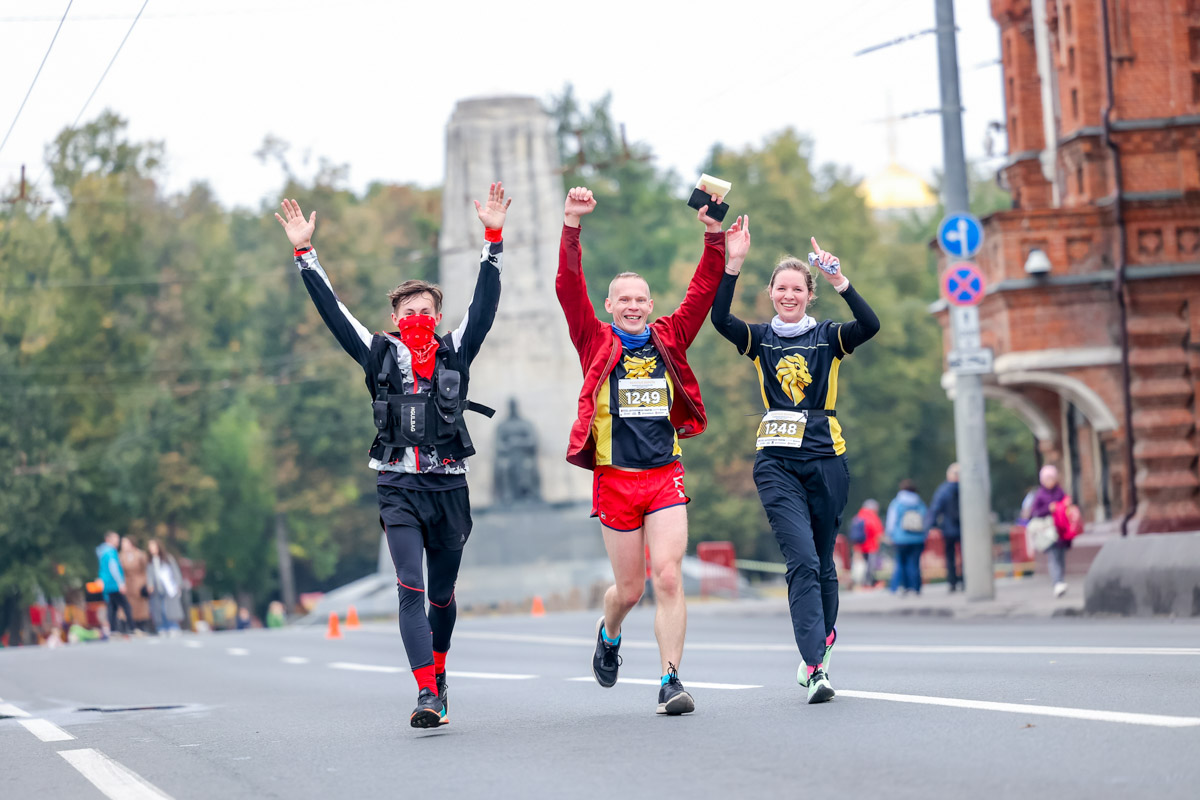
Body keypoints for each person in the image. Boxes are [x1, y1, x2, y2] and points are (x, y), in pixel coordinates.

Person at [275, 182, 509, 729]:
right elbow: (334, 314)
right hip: (398, 486)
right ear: (395, 314)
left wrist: (492, 239)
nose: (417, 316)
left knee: (443, 597)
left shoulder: (457, 348)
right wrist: (304, 253)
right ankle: (426, 694)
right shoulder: (377, 352)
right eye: (408, 309)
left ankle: (441, 670)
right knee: (411, 586)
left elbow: (486, 304)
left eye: (426, 309)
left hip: (449, 486)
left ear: (437, 313)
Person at [556, 185, 727, 716]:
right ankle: (609, 635)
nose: (632, 306)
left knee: (669, 575)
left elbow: (702, 290)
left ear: (650, 306)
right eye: (622, 300)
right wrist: (572, 226)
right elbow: (568, 289)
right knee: (628, 591)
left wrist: (714, 235)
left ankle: (670, 680)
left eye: (640, 299)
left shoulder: (669, 338)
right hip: (615, 480)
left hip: (663, 476)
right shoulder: (595, 340)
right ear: (610, 307)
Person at [710, 226, 880, 704]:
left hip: (827, 458)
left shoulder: (829, 338)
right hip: (777, 464)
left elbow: (870, 326)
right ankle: (814, 666)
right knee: (802, 561)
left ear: (809, 295)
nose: (788, 295)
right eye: (780, 288)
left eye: (797, 288)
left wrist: (842, 280)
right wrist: (732, 264)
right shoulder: (760, 339)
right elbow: (720, 319)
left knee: (823, 563)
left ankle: (822, 645)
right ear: (770, 294)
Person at [1028, 464, 1073, 597]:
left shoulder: (1060, 492)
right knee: (1053, 557)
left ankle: (1060, 580)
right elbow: (1034, 513)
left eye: (1051, 479)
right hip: (1047, 531)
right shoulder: (1040, 495)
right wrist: (1049, 508)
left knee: (1061, 557)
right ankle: (1057, 582)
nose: (1050, 482)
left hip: (1060, 529)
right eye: (1047, 479)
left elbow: (1067, 505)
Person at [886, 480, 928, 596]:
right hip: (918, 538)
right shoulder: (919, 503)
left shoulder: (897, 503)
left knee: (900, 562)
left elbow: (891, 521)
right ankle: (916, 587)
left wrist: (889, 535)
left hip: (900, 538)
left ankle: (901, 587)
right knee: (914, 563)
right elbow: (926, 519)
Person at [926, 463, 963, 592]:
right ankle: (966, 580)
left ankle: (952, 582)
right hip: (965, 529)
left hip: (948, 528)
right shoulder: (968, 487)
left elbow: (935, 508)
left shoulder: (943, 489)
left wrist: (931, 525)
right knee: (966, 555)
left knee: (950, 556)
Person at [95, 531, 132, 635]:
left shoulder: (101, 552)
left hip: (106, 584)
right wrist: (120, 582)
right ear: (109, 539)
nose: (118, 542)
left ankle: (113, 630)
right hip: (114, 584)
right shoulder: (111, 552)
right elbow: (114, 568)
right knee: (126, 606)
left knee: (112, 607)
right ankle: (132, 627)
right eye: (116, 539)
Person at [146, 539, 184, 635]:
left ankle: (173, 626)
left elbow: (175, 571)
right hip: (157, 589)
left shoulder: (167, 558)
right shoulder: (150, 561)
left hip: (168, 588)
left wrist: (178, 584)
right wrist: (150, 585)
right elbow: (149, 575)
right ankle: (161, 627)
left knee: (170, 608)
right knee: (158, 609)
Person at [119, 537, 151, 633]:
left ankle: (141, 625)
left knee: (140, 605)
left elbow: (146, 569)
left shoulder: (140, 555)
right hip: (127, 582)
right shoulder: (121, 556)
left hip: (139, 582)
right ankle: (129, 626)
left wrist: (146, 583)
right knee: (127, 605)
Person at [851, 500, 884, 587]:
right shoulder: (873, 517)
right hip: (871, 546)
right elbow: (878, 533)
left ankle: (860, 583)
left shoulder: (858, 516)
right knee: (870, 567)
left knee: (861, 566)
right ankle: (868, 583)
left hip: (859, 546)